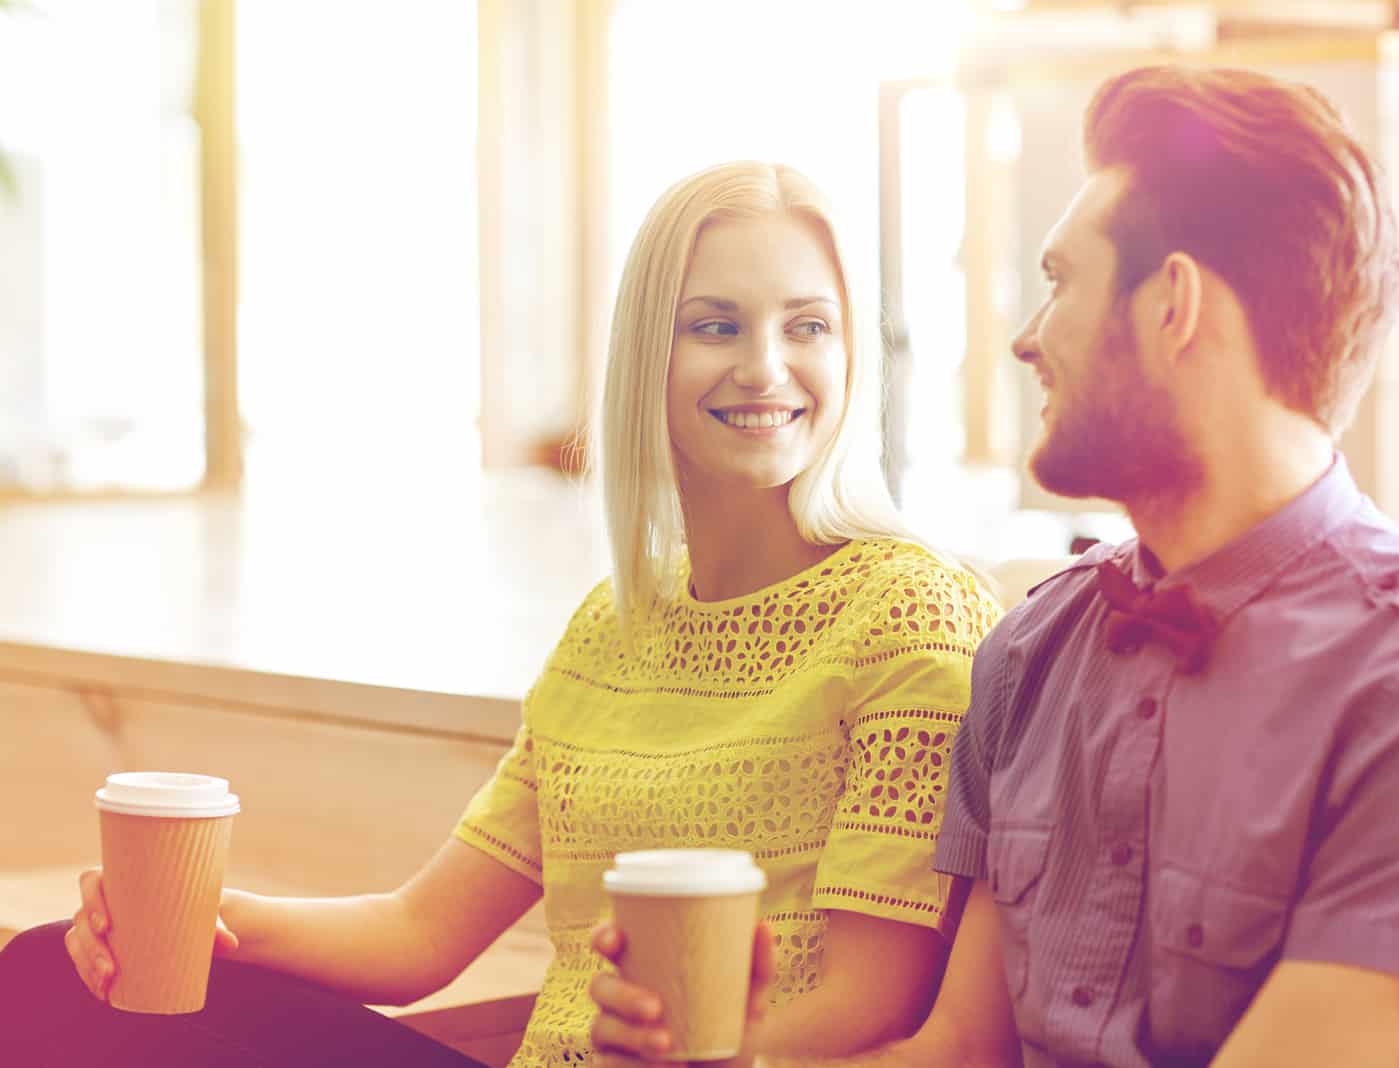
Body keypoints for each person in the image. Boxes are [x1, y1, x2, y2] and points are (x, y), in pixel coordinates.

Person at [587, 66, 1399, 1068]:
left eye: (1061, 281)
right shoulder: (1034, 647)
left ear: (1173, 306)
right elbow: (958, 1053)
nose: (1026, 339)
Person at [0, 161, 998, 1067]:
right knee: (53, 967)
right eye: (715, 324)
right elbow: (416, 935)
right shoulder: (611, 629)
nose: (765, 367)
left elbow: (875, 1005)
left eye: (806, 326)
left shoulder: (910, 613)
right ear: (648, 350)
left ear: (851, 355)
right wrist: (190, 918)